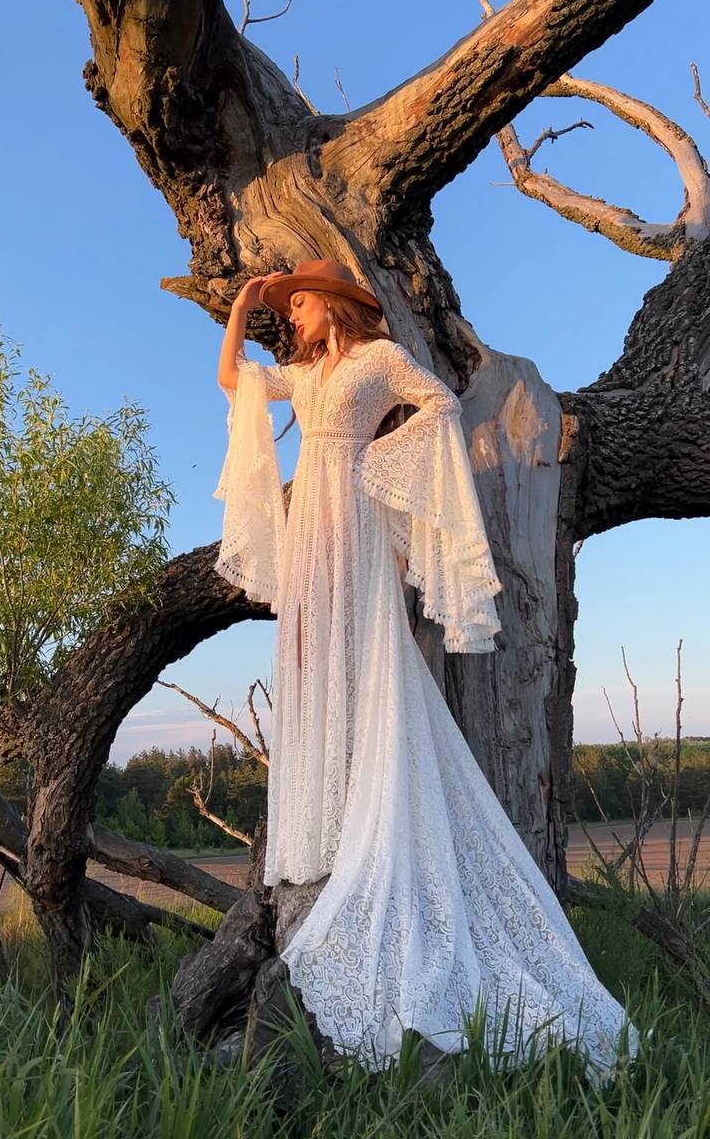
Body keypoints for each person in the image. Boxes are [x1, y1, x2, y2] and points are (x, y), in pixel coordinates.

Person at [214, 259, 639, 1082]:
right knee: (307, 655)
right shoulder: (302, 376)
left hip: (360, 521)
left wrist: (382, 467)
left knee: (364, 658)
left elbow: (441, 401)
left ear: (331, 305)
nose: (291, 321)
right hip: (311, 534)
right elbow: (232, 378)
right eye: (288, 309)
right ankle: (325, 817)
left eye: (298, 305)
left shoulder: (376, 362)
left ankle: (365, 813)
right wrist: (241, 303)